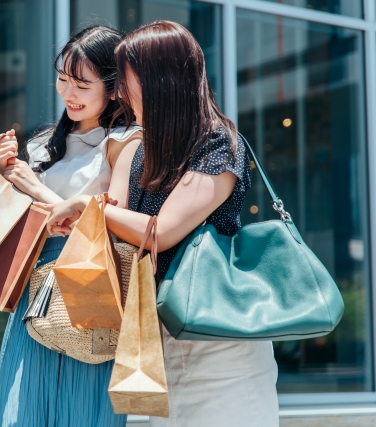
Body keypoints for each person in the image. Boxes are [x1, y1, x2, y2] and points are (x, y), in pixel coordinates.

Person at [44, 20, 279, 427]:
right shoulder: (142, 150)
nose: (117, 92)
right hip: (159, 335)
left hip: (220, 340)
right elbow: (121, 223)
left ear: (159, 80)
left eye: (126, 79)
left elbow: (161, 230)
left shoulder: (217, 141)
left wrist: (87, 207)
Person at [0, 25, 141, 427]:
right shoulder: (42, 144)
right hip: (35, 286)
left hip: (92, 284)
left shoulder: (126, 141)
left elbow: (118, 222)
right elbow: (26, 223)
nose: (68, 93)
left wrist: (32, 185)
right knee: (23, 409)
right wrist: (5, 175)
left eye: (82, 84)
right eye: (62, 80)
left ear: (113, 89)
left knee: (82, 408)